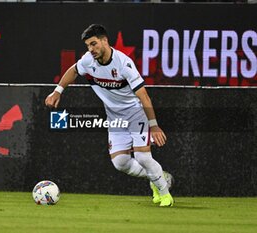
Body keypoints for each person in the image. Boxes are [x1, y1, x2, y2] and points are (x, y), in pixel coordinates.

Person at [45, 24, 174, 207]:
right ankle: (158, 177)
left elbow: (144, 96)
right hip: (115, 118)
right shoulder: (88, 60)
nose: (91, 49)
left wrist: (153, 125)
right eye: (88, 46)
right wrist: (57, 91)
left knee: (143, 158)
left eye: (94, 44)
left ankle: (164, 193)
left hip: (135, 113)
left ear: (105, 41)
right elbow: (73, 70)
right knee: (120, 162)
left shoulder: (124, 64)